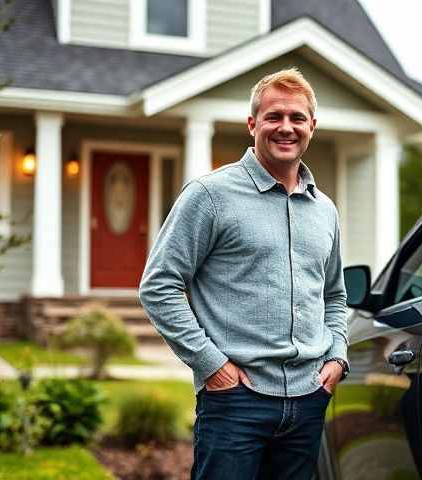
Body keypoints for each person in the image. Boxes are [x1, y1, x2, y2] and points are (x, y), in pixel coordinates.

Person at [139, 68, 349, 480]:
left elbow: (335, 295)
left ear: (312, 127)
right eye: (273, 117)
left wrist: (337, 357)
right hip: (236, 402)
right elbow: (159, 285)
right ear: (252, 124)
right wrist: (211, 365)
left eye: (296, 118)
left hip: (308, 399)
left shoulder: (325, 209)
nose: (285, 127)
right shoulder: (210, 196)